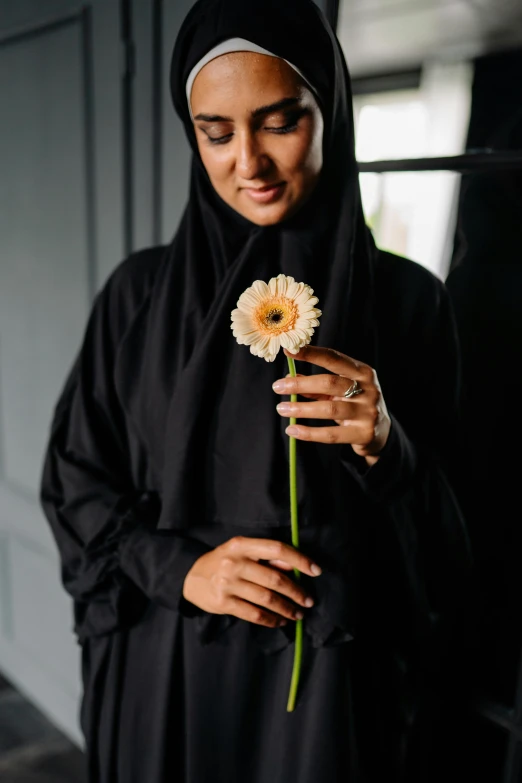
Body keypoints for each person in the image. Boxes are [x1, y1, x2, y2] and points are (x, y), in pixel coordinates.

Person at [39, 1, 472, 781]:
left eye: (279, 121)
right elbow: (76, 484)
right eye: (216, 132)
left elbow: (455, 547)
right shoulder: (136, 298)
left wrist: (388, 446)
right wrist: (184, 570)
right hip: (162, 672)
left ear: (330, 114)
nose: (249, 161)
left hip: (324, 702)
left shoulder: (409, 306)